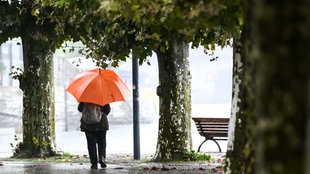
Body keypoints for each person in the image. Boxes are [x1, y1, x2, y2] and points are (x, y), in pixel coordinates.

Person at [78, 102, 111, 169]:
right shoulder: (102, 97)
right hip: (102, 124)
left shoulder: (85, 97)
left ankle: (94, 163)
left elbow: (80, 109)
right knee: (102, 142)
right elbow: (107, 109)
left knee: (91, 144)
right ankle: (102, 158)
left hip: (88, 125)